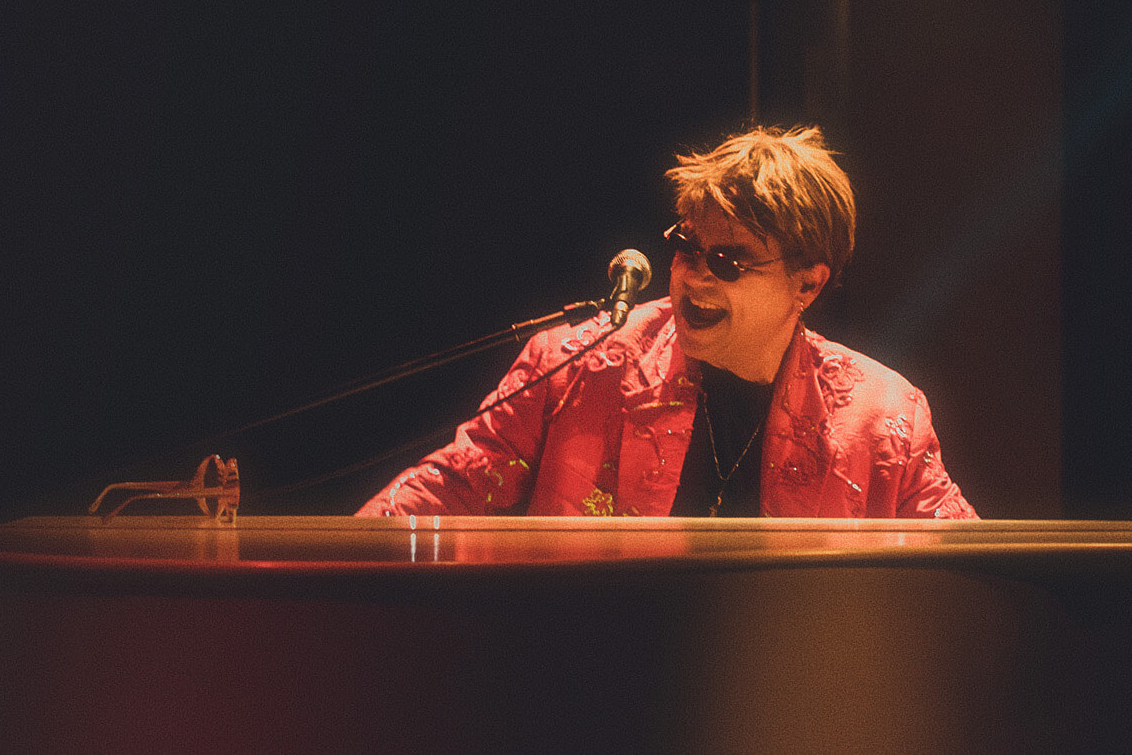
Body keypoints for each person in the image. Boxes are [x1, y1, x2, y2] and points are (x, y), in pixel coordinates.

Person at [357, 126, 976, 518]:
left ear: (806, 284)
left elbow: (963, 576)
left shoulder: (887, 414)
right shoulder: (575, 363)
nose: (694, 276)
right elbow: (447, 491)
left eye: (728, 261)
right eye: (686, 246)